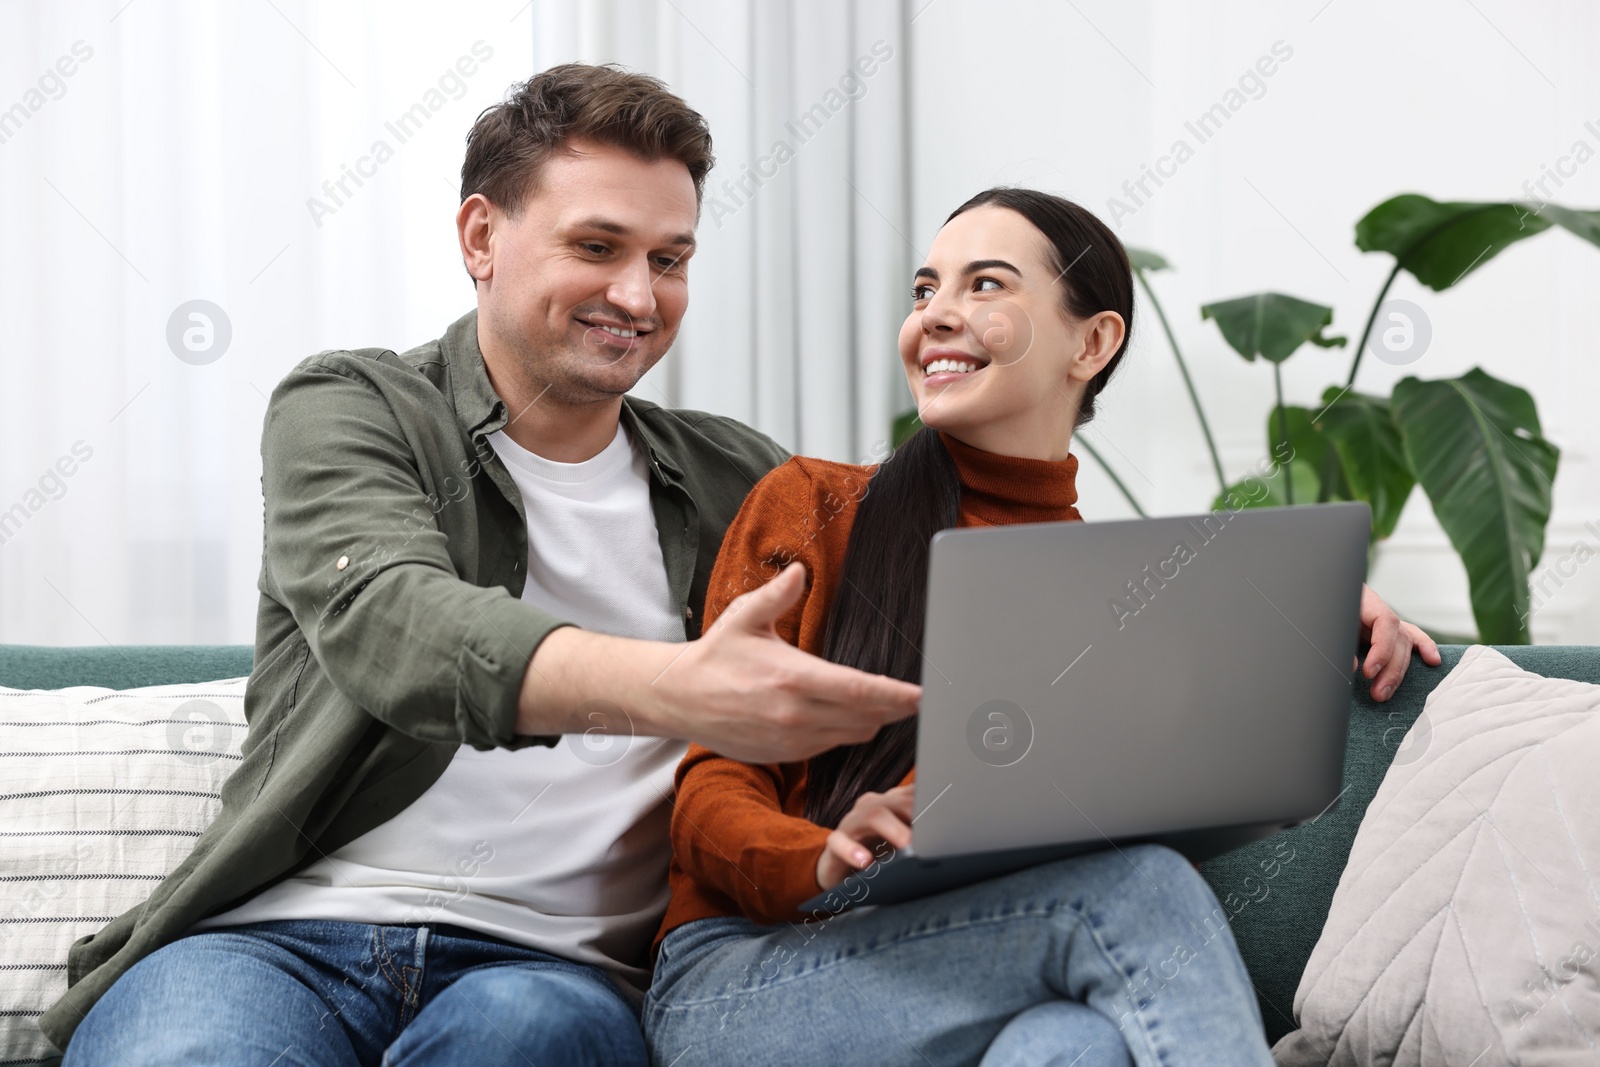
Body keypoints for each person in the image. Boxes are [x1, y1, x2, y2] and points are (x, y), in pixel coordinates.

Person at [49, 65, 1434, 1066]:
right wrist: (690, 692)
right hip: (283, 936)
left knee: (1068, 1032)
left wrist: (1284, 602)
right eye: (596, 246)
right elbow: (398, 625)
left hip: (553, 972)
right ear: (481, 238)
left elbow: (982, 530)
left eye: (670, 256)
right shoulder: (356, 407)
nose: (638, 294)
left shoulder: (729, 473)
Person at [644, 188, 1440, 1067]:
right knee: (1138, 893)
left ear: (1092, 342)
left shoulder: (1115, 594)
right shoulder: (814, 505)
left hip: (981, 961)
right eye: (924, 290)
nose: (938, 314)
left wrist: (1305, 608)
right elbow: (709, 792)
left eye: (985, 285)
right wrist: (823, 853)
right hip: (744, 982)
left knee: (1073, 1044)